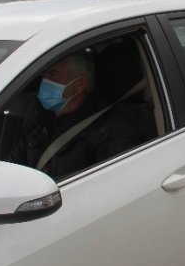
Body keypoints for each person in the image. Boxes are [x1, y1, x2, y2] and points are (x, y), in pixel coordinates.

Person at [8, 51, 151, 180]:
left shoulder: (110, 130)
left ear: (80, 85)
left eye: (53, 75)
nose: (44, 82)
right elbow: (12, 165)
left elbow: (116, 185)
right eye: (44, 76)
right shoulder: (39, 119)